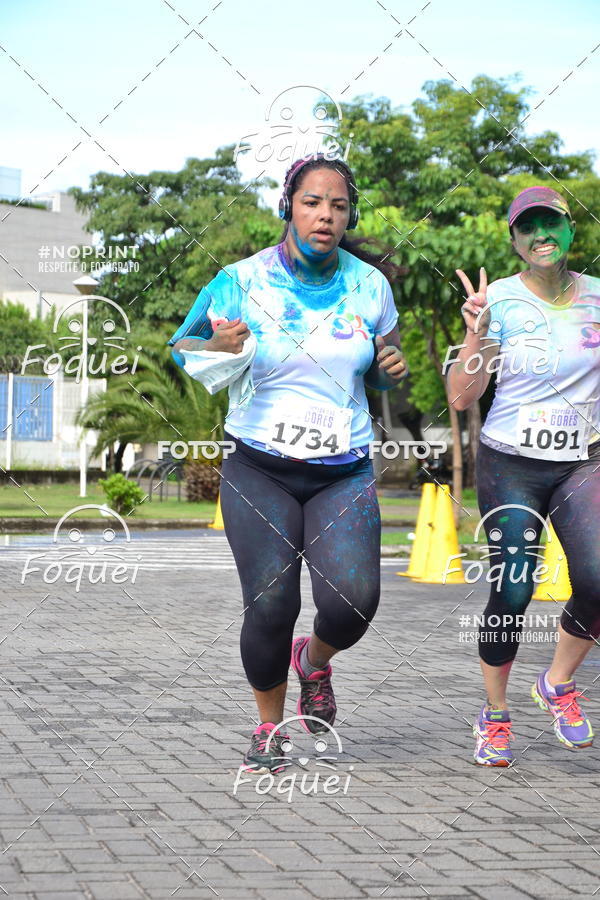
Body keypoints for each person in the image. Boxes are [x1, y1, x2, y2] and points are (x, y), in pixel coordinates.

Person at [168, 154, 407, 773]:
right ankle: (270, 727)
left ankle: (314, 661)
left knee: (354, 603)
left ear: (349, 217)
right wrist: (212, 343)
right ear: (288, 207)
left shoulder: (370, 286)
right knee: (271, 603)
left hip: (343, 469)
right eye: (312, 202)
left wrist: (390, 370)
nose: (325, 215)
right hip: (260, 468)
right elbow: (182, 348)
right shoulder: (240, 280)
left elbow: (381, 366)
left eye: (338, 206)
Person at [448, 185, 600, 766]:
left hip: (582, 459)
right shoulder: (497, 301)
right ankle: (495, 714)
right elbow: (462, 398)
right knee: (513, 588)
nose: (541, 235)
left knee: (598, 579)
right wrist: (476, 331)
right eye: (528, 227)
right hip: (510, 462)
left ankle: (558, 682)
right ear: (514, 240)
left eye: (551, 223)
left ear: (570, 230)